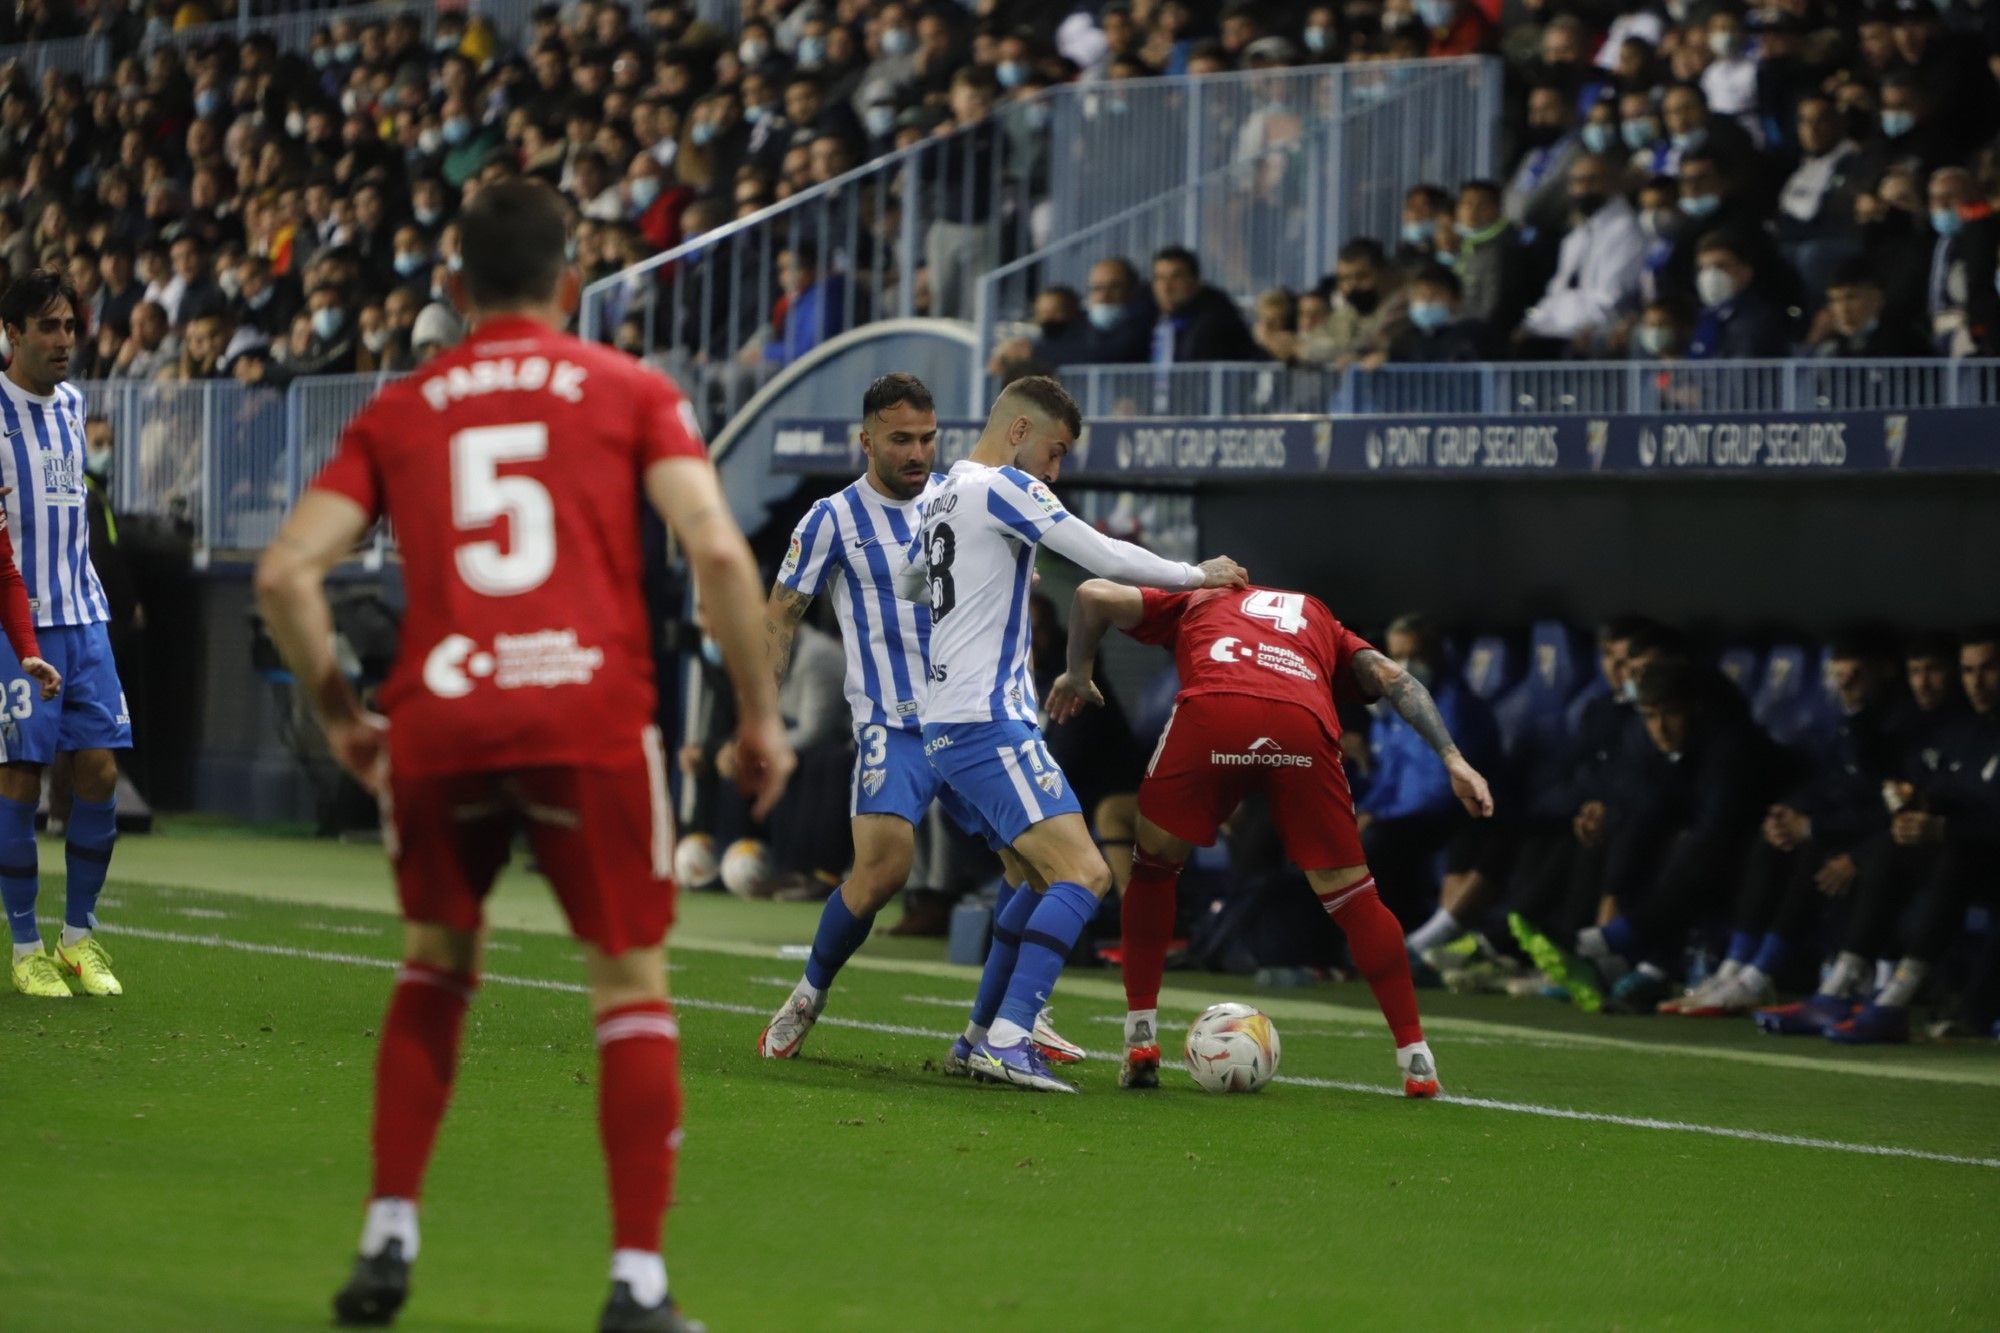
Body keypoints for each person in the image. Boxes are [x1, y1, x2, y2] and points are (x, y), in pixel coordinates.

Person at [254, 179, 792, 1333]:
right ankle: (636, 1284)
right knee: (627, 983)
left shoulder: (402, 408)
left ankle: (388, 1231)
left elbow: (285, 574)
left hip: (443, 720)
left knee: (435, 966)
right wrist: (757, 714)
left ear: (451, 290)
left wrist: (348, 715)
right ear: (573, 285)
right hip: (585, 718)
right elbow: (719, 554)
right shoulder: (632, 388)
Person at [894, 375, 1247, 1093]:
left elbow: (909, 582)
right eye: (1054, 453)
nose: (1054, 473)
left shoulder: (940, 495)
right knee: (1085, 873)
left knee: (1029, 873)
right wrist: (1196, 573)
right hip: (985, 721)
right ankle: (1012, 1035)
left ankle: (976, 1037)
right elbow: (1106, 557)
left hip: (946, 719)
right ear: (1020, 431)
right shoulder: (1003, 486)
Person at [1050, 580, 1492, 1096]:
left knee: (1153, 869)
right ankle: (1417, 1060)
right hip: (1300, 725)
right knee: (1355, 899)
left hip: (1213, 714)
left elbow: (1091, 595)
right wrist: (1454, 759)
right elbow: (1395, 679)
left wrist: (1078, 672)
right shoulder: (1319, 616)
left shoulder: (1199, 592)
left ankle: (1141, 1038)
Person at [757, 372, 1080, 1063]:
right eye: (901, 439)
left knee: (1036, 867)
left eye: (928, 437)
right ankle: (810, 991)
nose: (917, 452)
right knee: (883, 871)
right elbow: (780, 615)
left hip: (968, 715)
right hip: (891, 721)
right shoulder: (831, 518)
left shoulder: (960, 498)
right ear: (866, 439)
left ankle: (998, 1027)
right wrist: (759, 713)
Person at [0, 270, 128, 1001]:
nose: (63, 341)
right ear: (12, 332)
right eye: (47, 327)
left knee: (100, 772)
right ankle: (25, 946)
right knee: (19, 778)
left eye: (70, 327)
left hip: (85, 616)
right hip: (17, 623)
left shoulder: (77, 406)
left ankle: (78, 937)